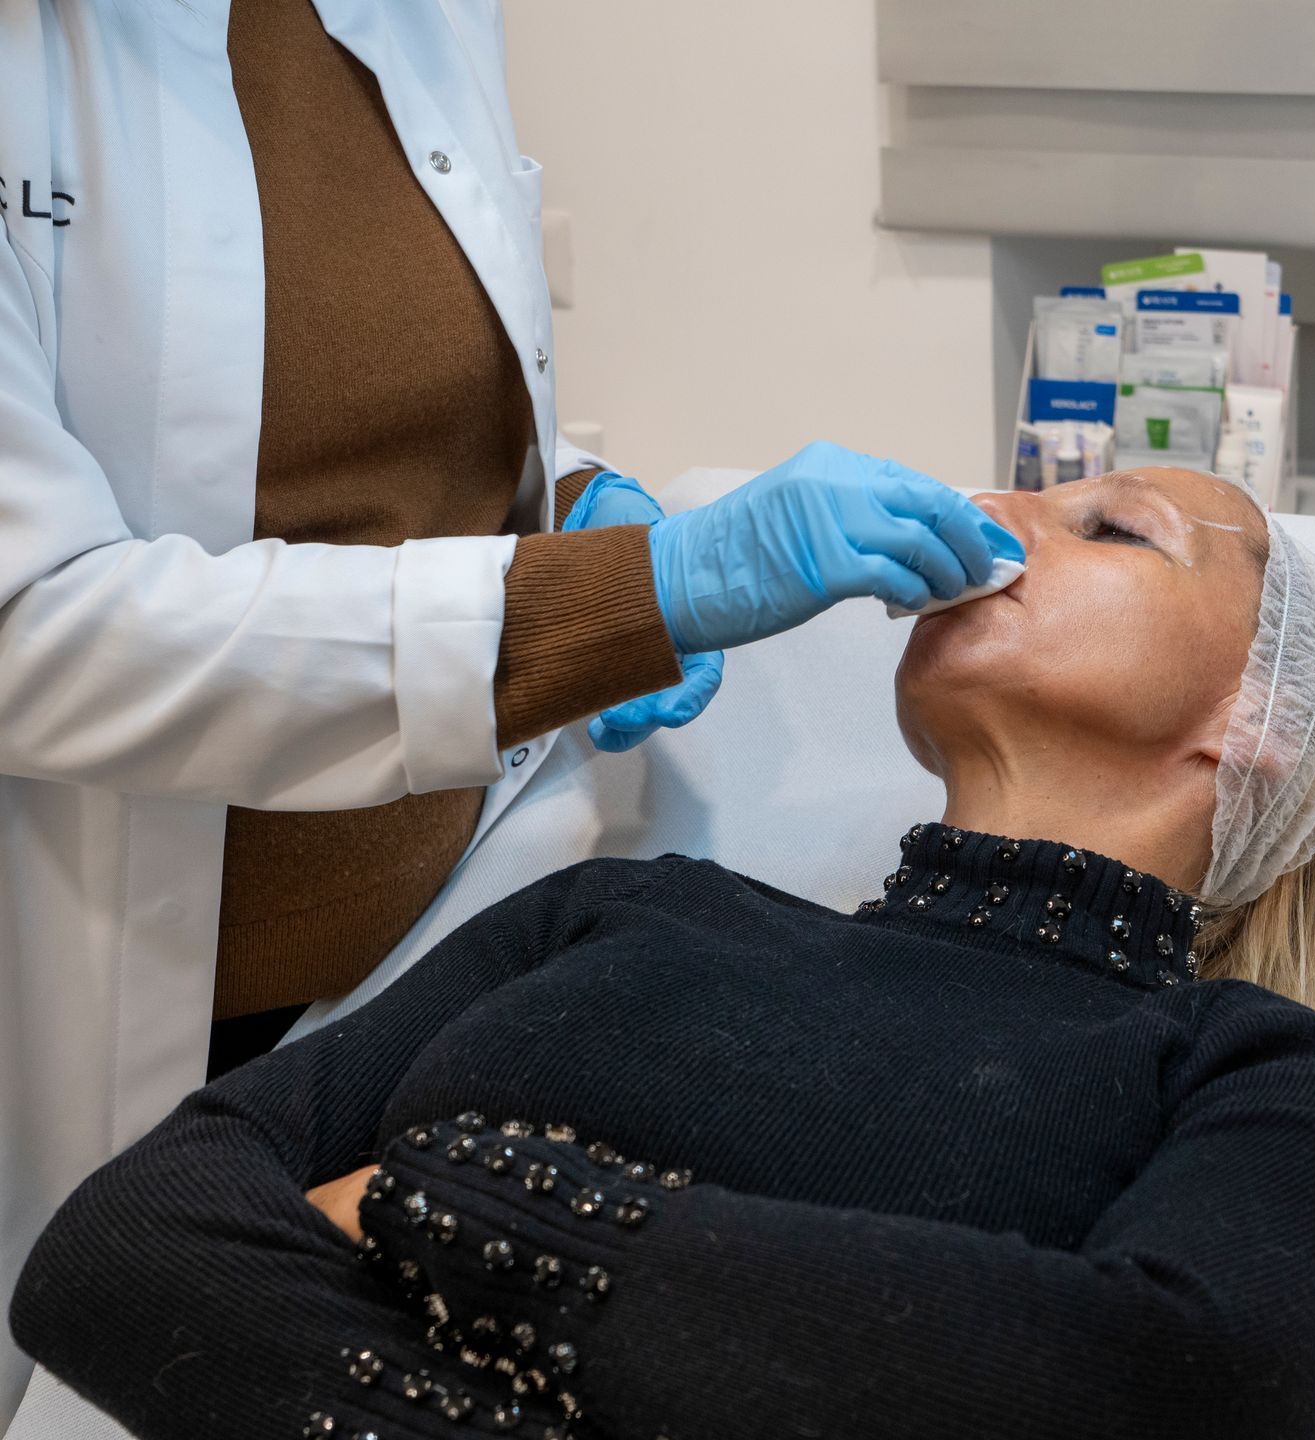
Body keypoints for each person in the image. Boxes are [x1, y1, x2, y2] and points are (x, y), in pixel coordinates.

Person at [0, 1, 1018, 1423]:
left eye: (1124, 533)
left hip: (414, 956)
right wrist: (621, 593)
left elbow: (384, 402)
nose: (1029, 523)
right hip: (98, 979)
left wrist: (567, 501)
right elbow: (29, 624)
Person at [11, 468, 1315, 1440]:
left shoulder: (1271, 1081)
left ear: (1260, 721)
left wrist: (448, 1200)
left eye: (1112, 526)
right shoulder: (630, 909)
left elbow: (1172, 1385)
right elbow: (117, 1252)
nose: (995, 505)